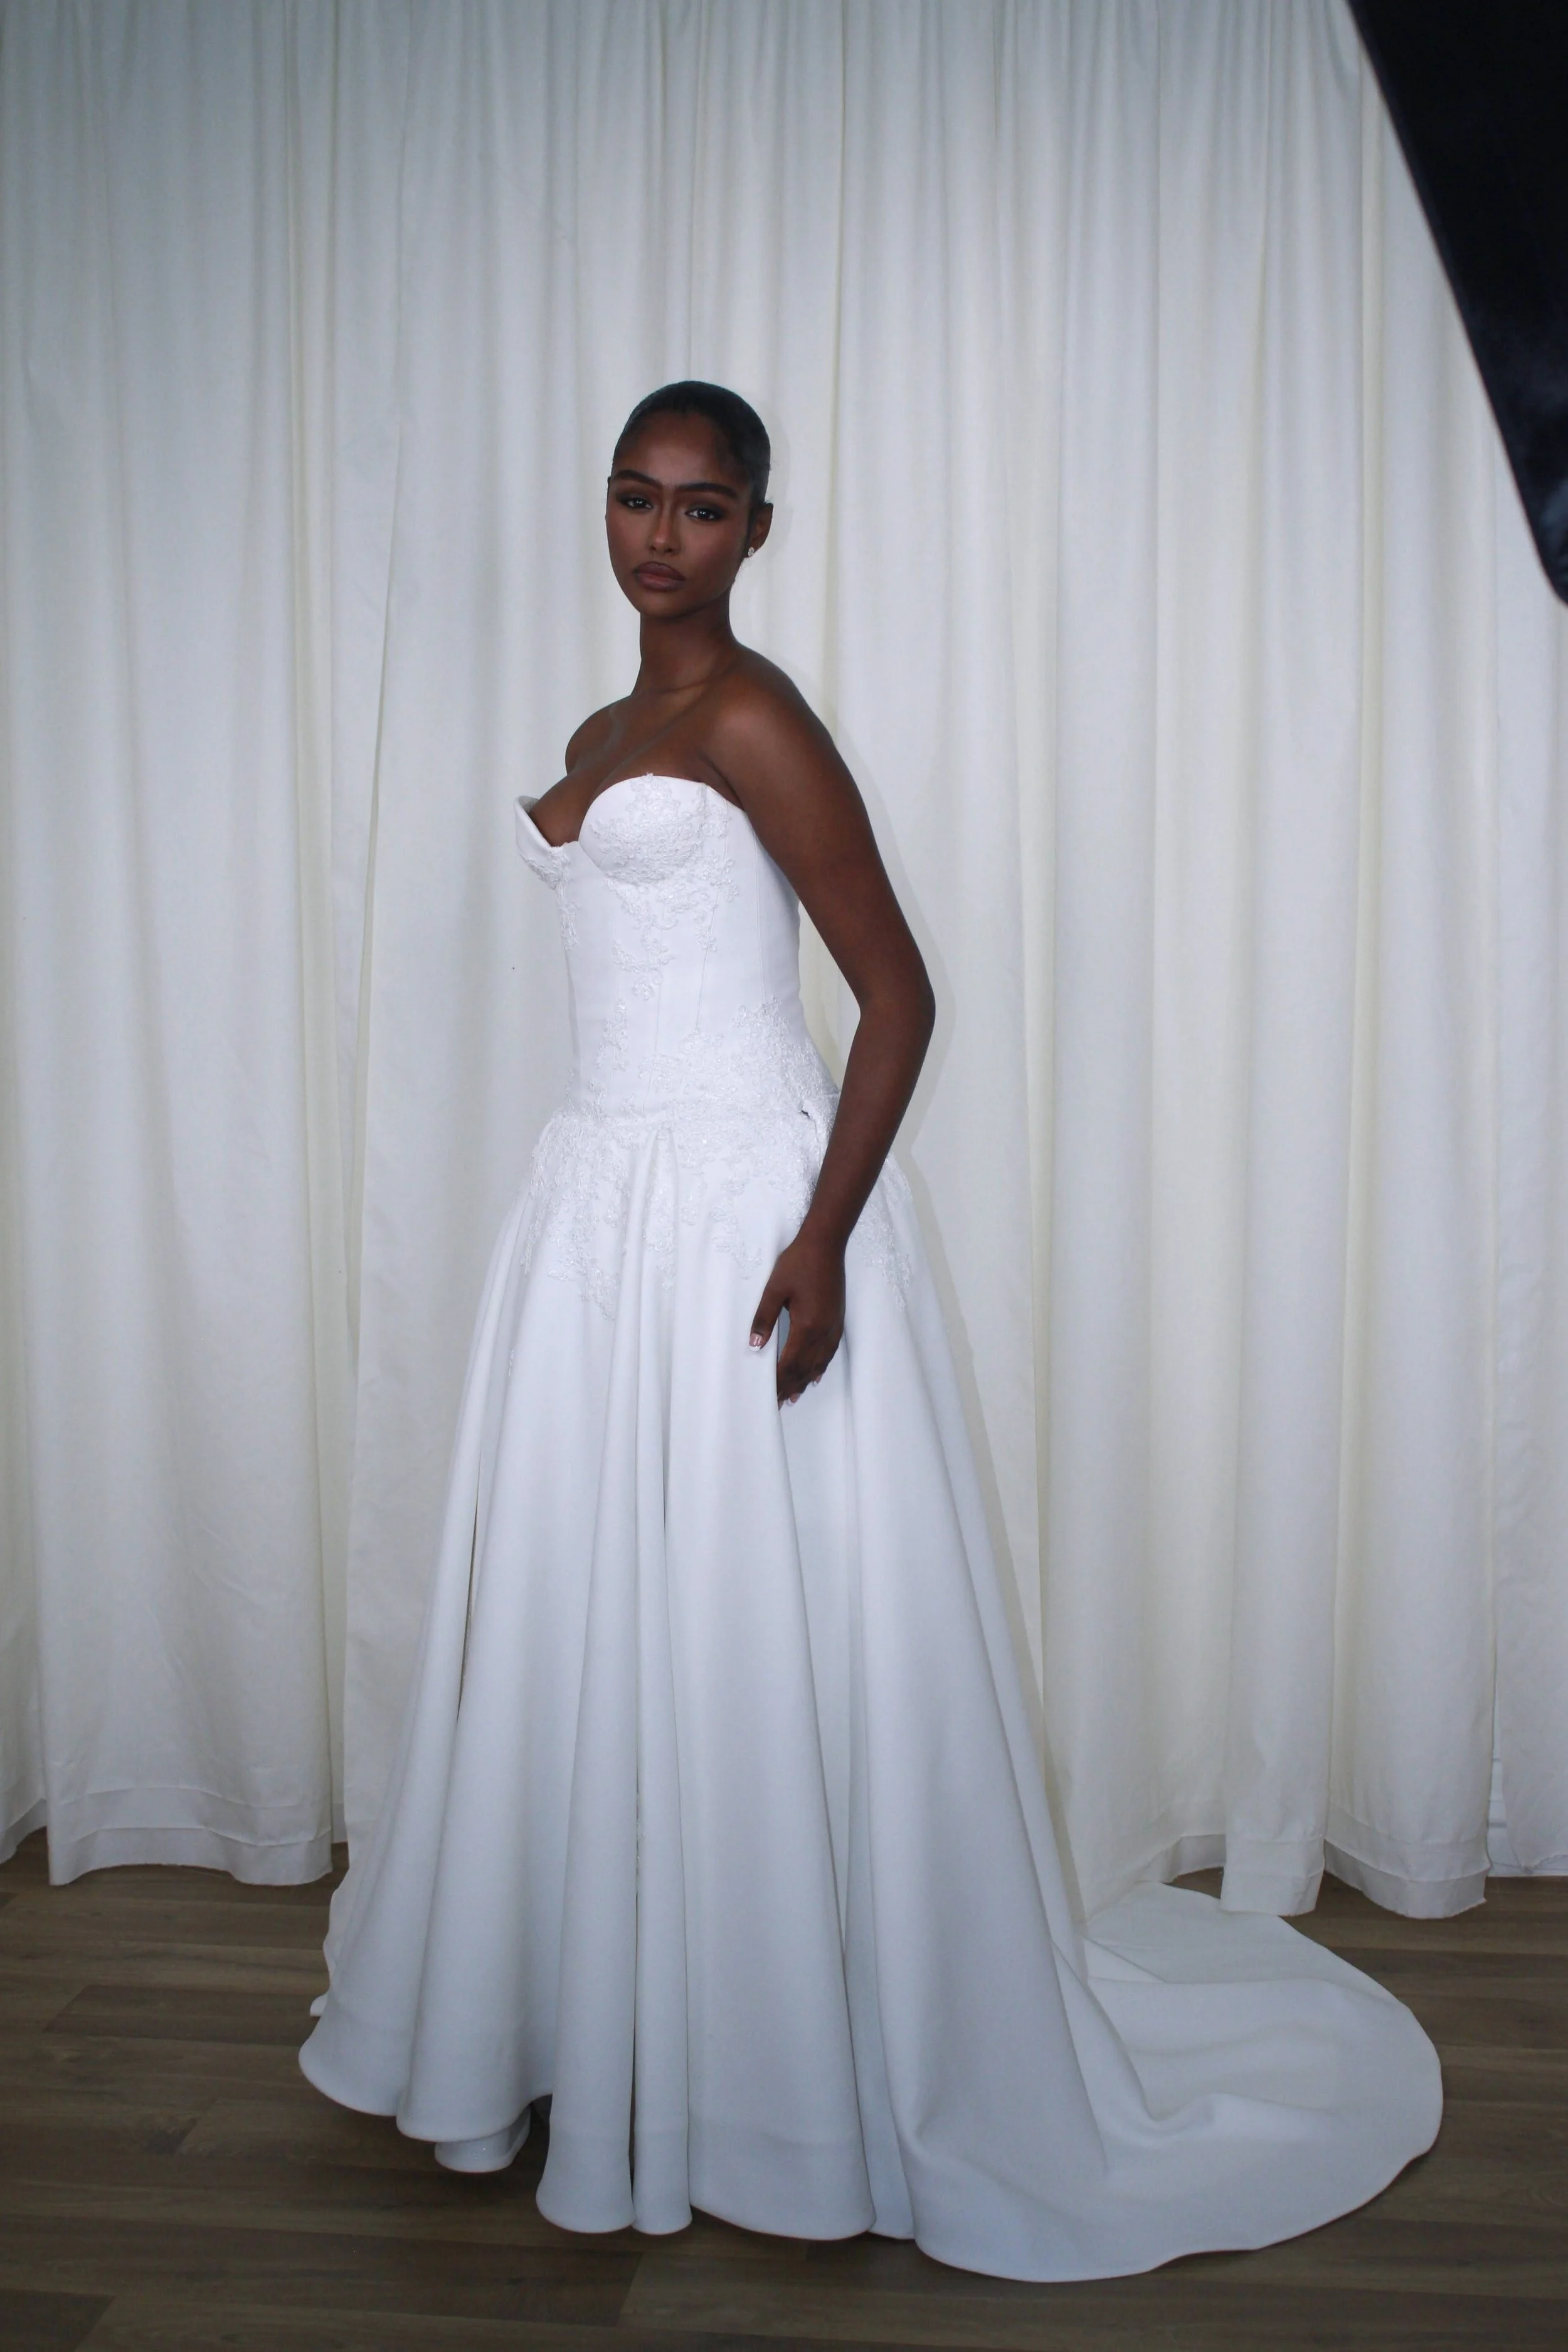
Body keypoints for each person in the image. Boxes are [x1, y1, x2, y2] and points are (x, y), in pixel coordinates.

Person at [300, 381, 1441, 2280]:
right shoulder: (601, 729)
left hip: (745, 1210)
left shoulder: (751, 716)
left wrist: (820, 1236)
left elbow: (897, 995)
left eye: (703, 506)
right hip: (596, 1213)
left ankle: (783, 2069)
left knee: (755, 1624)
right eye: (633, 499)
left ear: (757, 530)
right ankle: (626, 2020)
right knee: (610, 1621)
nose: (660, 535)